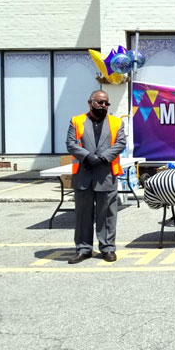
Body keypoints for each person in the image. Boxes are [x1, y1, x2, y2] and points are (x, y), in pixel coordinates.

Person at [65, 90, 127, 264]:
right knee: (83, 215)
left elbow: (121, 143)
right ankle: (83, 249)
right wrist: (87, 156)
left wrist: (103, 158)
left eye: (106, 103)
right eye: (100, 102)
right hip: (83, 173)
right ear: (90, 102)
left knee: (107, 214)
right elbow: (70, 143)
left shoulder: (116, 122)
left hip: (106, 173)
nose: (103, 106)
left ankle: (107, 248)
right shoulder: (76, 121)